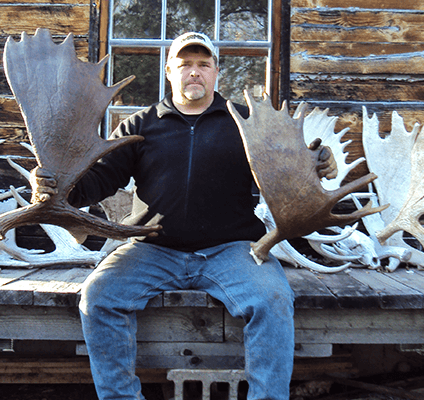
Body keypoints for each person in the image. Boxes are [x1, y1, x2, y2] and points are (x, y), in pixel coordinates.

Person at [32, 32, 337, 400]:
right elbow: (98, 181)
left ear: (216, 72)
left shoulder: (245, 125)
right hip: (152, 249)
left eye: (203, 65)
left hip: (232, 249)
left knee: (273, 299)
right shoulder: (140, 126)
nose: (195, 72)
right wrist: (54, 188)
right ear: (169, 72)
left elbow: (292, 172)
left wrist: (319, 163)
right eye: (185, 65)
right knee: (97, 296)